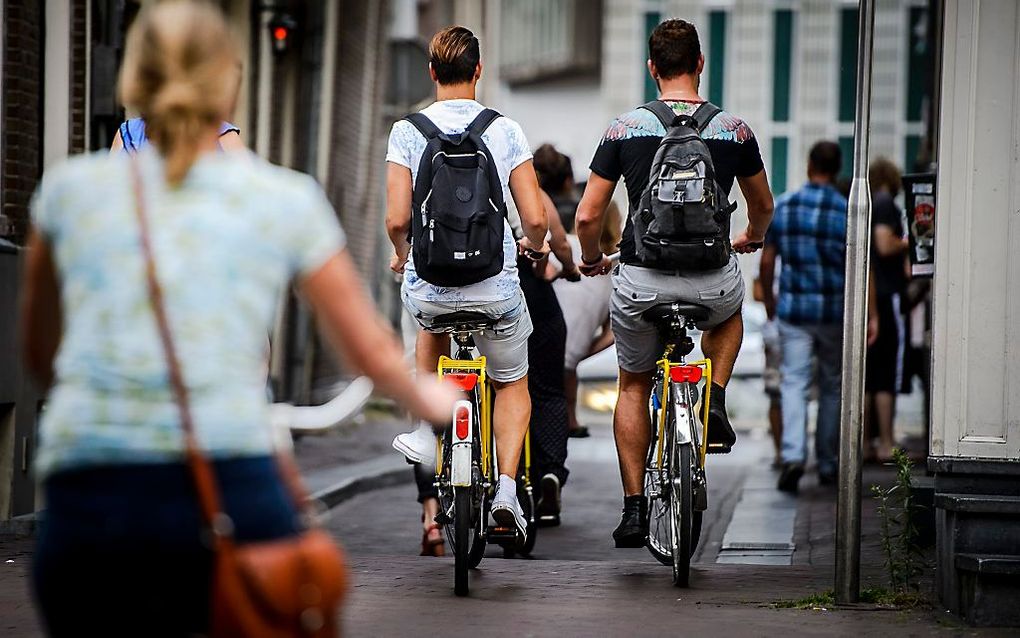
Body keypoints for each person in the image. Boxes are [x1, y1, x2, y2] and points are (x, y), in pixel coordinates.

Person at [20, 2, 458, 634]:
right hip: (225, 476)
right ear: (229, 81)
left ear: (132, 78)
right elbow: (369, 351)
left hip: (88, 486)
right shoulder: (281, 198)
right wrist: (431, 398)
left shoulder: (68, 193)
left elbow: (39, 351)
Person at [575, 18, 774, 547]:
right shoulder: (734, 131)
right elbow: (762, 206)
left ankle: (636, 508)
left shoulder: (624, 129)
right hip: (710, 279)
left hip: (641, 279)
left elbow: (587, 216)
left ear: (652, 68)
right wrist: (751, 236)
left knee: (634, 385)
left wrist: (595, 259)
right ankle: (712, 393)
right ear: (700, 65)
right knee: (729, 317)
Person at [385, 25, 549, 540]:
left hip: (431, 284)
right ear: (479, 71)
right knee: (511, 382)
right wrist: (533, 245)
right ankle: (505, 489)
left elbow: (395, 218)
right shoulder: (505, 130)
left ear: (432, 72)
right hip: (494, 287)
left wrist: (402, 254)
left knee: (427, 321)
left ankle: (424, 430)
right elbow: (536, 217)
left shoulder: (407, 131)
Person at [759, 141, 850, 494]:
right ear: (838, 168)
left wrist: (770, 304)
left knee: (793, 383)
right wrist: (869, 315)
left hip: (794, 312)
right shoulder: (847, 210)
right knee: (831, 386)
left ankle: (793, 455)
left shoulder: (785, 205)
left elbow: (767, 262)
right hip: (832, 312)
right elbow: (861, 268)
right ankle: (827, 463)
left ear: (810, 164)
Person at [865, 157, 910, 462]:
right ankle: (886, 441)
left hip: (871, 297)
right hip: (887, 295)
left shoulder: (870, 203)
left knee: (868, 374)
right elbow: (884, 244)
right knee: (885, 373)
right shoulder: (884, 203)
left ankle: (867, 443)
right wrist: (913, 240)